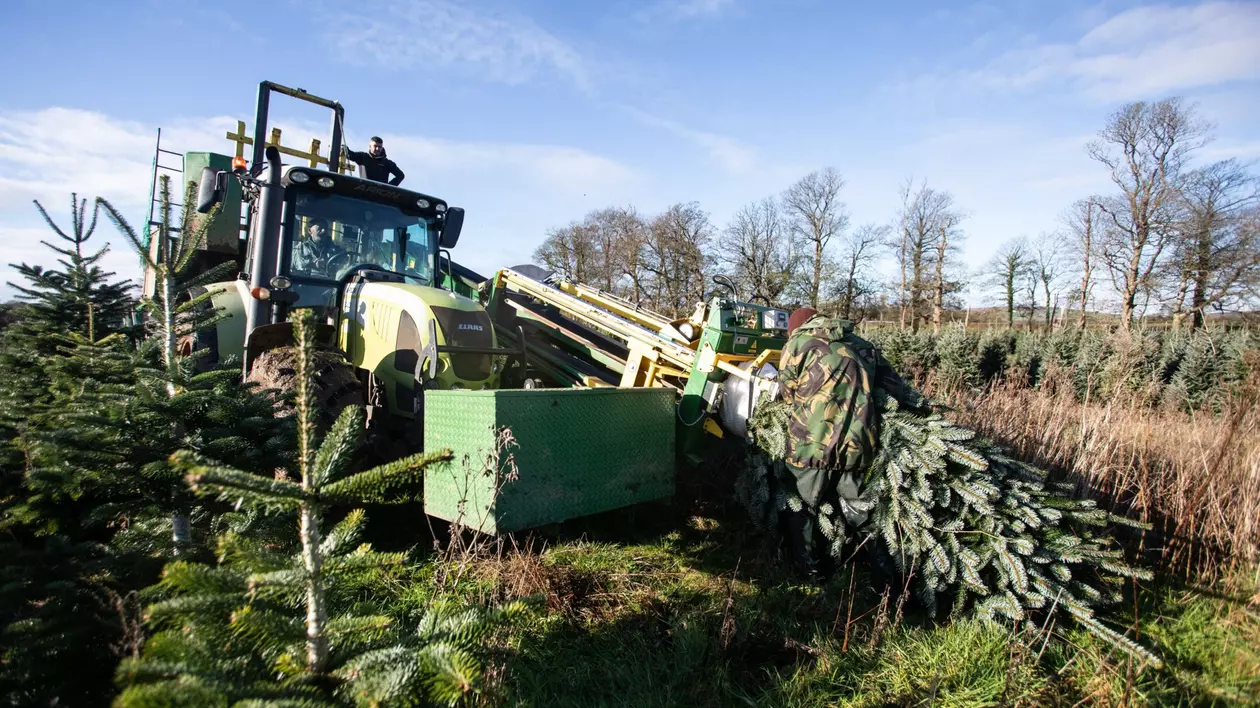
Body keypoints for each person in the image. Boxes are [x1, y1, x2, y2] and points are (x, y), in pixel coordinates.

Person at [775, 307, 907, 578]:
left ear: (797, 327)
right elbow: (895, 387)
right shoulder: (861, 345)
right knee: (862, 512)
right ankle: (889, 579)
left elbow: (786, 393)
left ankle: (811, 574)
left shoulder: (797, 345)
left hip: (810, 446)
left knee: (802, 508)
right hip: (857, 445)